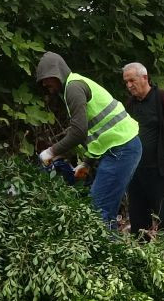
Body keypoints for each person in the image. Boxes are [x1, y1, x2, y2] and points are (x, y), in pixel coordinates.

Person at [35, 51, 142, 229]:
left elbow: (78, 132)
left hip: (122, 149)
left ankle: (107, 253)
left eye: (48, 78)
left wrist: (50, 152)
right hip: (121, 148)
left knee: (98, 211)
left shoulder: (73, 88)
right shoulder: (74, 86)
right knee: (103, 210)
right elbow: (93, 133)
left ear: (58, 72)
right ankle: (110, 251)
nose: (45, 84)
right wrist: (86, 162)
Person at [121, 62, 164, 238]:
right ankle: (142, 258)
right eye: (126, 82)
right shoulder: (130, 105)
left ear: (145, 78)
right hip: (136, 172)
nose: (129, 85)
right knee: (138, 220)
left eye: (132, 80)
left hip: (161, 170)